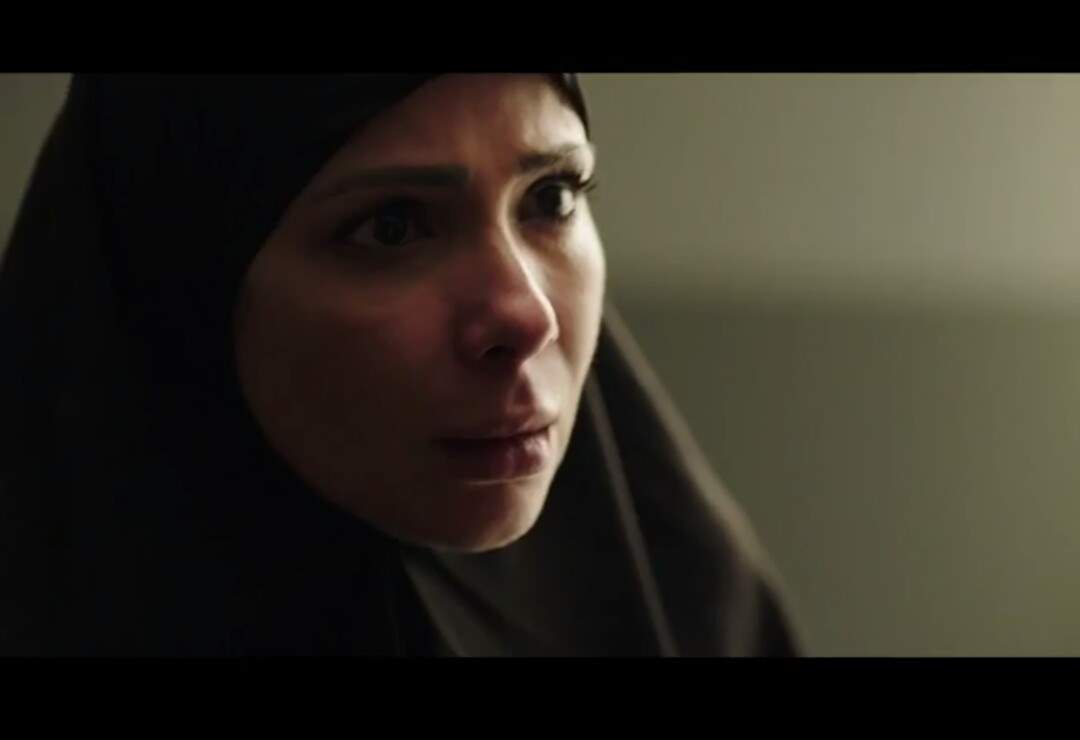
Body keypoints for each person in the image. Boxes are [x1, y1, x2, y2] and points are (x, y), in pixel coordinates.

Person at [0, 73, 799, 656]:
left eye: (552, 197)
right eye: (391, 226)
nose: (527, 316)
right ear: (180, 291)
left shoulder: (687, 605)